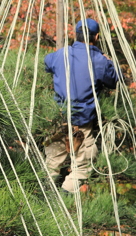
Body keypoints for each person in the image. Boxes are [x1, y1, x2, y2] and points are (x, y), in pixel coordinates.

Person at [44, 18, 117, 193]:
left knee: (52, 162)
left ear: (75, 35)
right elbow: (114, 80)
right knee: (83, 166)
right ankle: (63, 199)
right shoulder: (99, 60)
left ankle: (42, 198)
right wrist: (109, 61)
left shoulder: (60, 54)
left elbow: (47, 63)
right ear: (97, 37)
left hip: (59, 120)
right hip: (83, 124)